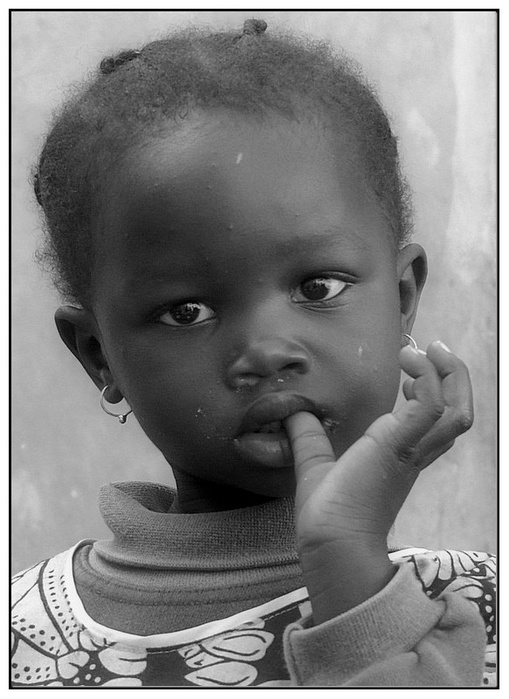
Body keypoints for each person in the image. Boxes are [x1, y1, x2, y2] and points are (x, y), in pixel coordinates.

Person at [11, 19, 496, 687]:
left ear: (402, 295)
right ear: (100, 356)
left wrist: (353, 581)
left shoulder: (477, 614)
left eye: (318, 287)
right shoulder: (23, 635)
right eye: (187, 312)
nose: (267, 351)